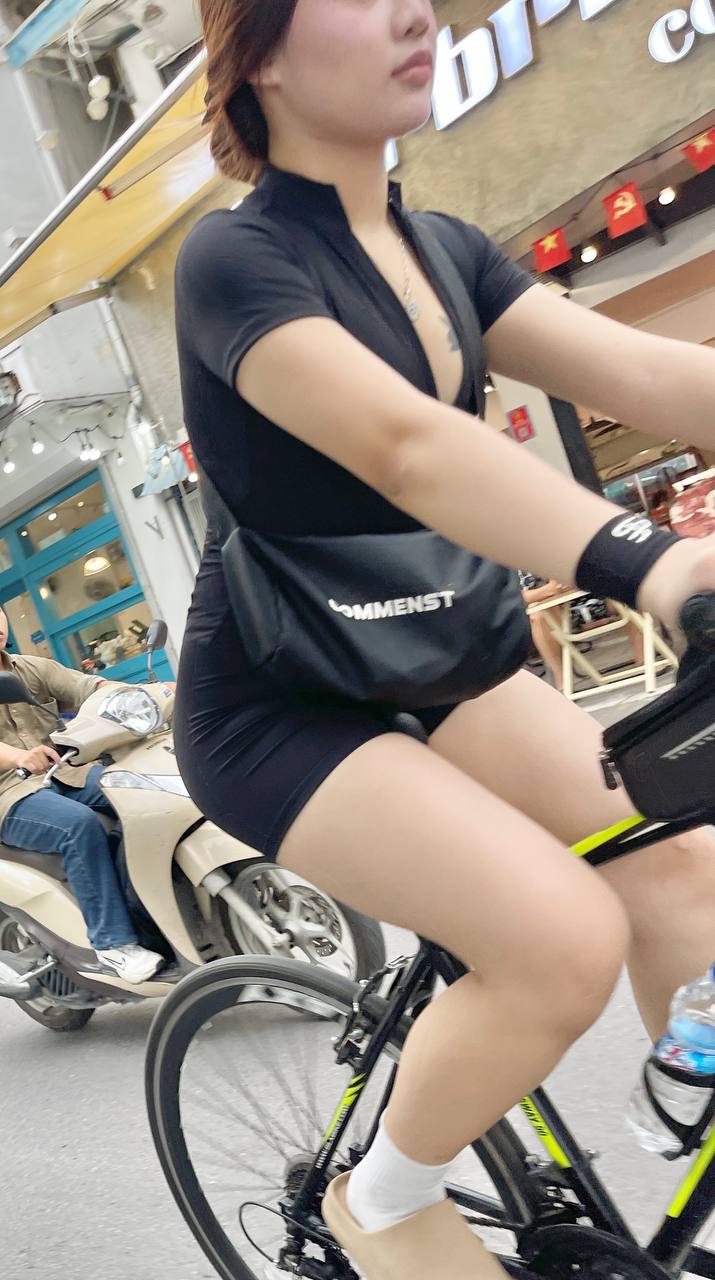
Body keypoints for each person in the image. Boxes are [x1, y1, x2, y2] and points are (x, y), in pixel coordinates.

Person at [172, 3, 715, 1275]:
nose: (415, 11)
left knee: (683, 869)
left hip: (445, 660)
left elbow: (651, 378)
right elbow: (406, 448)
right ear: (258, 54)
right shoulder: (231, 259)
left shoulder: (443, 250)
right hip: (281, 701)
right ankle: (381, 1197)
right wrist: (650, 562)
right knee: (558, 938)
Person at [0, 575, 163, 983]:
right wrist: (20, 756)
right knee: (79, 827)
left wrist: (149, 694)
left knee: (139, 791)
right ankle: (113, 945)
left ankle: (148, 912)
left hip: (64, 775)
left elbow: (88, 685)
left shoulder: (30, 668)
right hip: (4, 798)